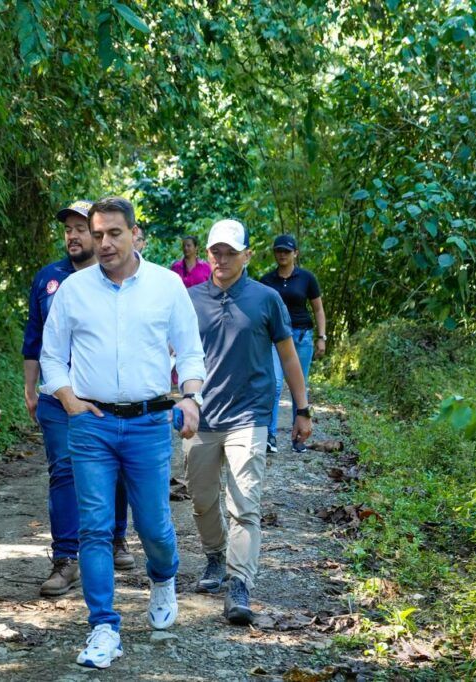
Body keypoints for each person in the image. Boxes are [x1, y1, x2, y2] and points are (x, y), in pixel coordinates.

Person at [40, 196, 205, 669]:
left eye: (114, 233)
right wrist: (68, 397)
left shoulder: (166, 286)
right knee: (93, 528)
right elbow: (52, 355)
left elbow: (190, 351)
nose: (105, 242)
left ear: (136, 235)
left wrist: (190, 395)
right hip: (91, 426)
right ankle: (103, 627)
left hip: (150, 422)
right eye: (98, 234)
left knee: (153, 524)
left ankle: (163, 576)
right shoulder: (73, 290)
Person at [183, 219, 312, 626]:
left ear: (247, 256)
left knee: (245, 504)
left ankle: (240, 582)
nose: (221, 259)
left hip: (249, 416)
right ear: (207, 254)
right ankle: (216, 557)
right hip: (202, 416)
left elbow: (289, 357)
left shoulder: (266, 298)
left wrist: (302, 408)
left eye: (230, 252)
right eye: (215, 251)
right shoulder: (188, 299)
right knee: (202, 500)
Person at [24, 200, 136, 598]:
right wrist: (30, 386)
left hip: (106, 395)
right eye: (67, 229)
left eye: (80, 228)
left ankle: (117, 537)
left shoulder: (118, 279)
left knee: (116, 467)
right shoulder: (49, 278)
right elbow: (34, 336)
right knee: (63, 471)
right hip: (57, 394)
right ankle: (66, 558)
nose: (73, 235)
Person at [259, 234, 326, 454]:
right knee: (275, 385)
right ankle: (270, 435)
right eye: (278, 251)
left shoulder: (306, 278)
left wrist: (321, 337)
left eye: (287, 251)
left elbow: (318, 309)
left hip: (301, 336)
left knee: (300, 387)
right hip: (275, 338)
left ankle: (299, 437)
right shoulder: (267, 281)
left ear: (295, 253)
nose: (282, 255)